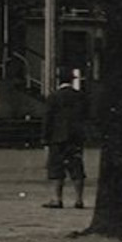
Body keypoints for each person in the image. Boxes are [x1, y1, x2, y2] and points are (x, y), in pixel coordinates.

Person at [41, 70, 87, 209]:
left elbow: (48, 118)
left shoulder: (54, 97)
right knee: (77, 167)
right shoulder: (80, 96)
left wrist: (45, 137)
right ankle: (79, 199)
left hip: (57, 136)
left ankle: (57, 199)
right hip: (76, 136)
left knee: (56, 168)